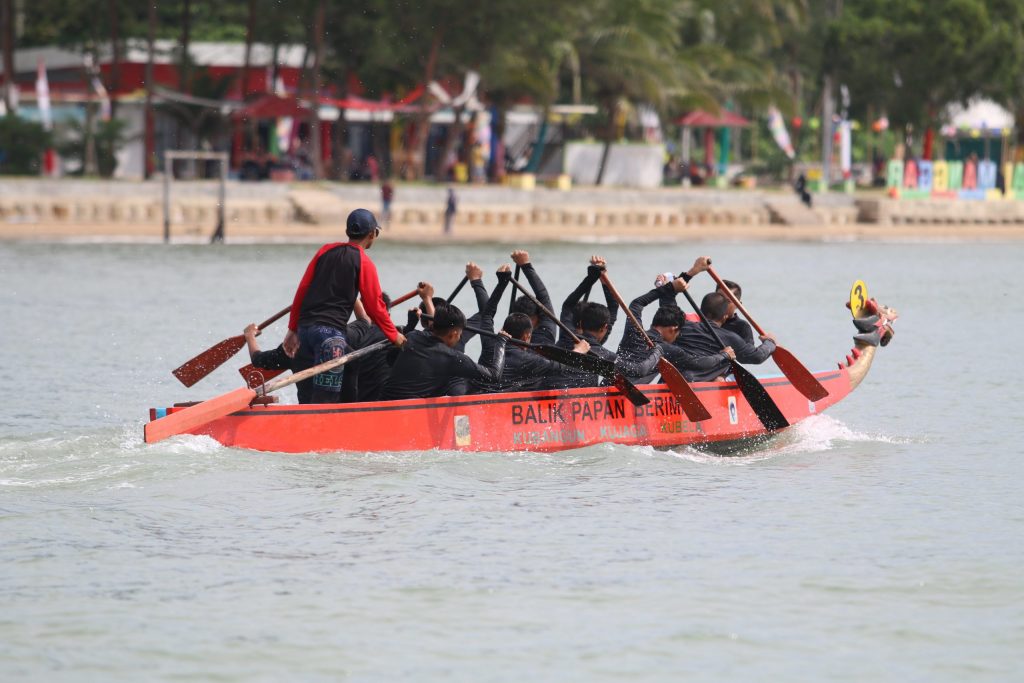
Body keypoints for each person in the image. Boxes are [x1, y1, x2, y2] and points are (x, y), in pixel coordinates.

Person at [283, 208, 405, 403]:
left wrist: (292, 329)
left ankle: (345, 416)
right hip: (330, 339)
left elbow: (303, 290)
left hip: (304, 332)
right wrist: (394, 335)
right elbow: (375, 306)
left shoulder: (325, 250)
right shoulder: (364, 262)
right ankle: (341, 422)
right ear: (372, 234)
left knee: (346, 368)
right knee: (325, 404)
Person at [616, 277, 735, 383]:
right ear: (673, 329)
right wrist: (724, 355)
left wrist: (668, 287)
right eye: (678, 333)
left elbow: (636, 304)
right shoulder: (667, 349)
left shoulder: (634, 332)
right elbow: (700, 364)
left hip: (605, 387)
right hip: (628, 398)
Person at [384, 304, 508, 400]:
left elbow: (390, 359)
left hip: (383, 404)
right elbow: (494, 376)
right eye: (460, 334)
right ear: (453, 334)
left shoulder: (412, 336)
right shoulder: (451, 357)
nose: (460, 338)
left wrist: (410, 325)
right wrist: (501, 342)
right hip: (408, 415)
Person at [340, 283, 432, 403]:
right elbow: (434, 338)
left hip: (352, 403)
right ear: (387, 315)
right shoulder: (399, 336)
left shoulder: (348, 333)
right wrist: (427, 299)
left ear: (359, 312)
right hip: (387, 403)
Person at [476, 313, 590, 393]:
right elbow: (561, 366)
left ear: (503, 330)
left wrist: (481, 282)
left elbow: (486, 315)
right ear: (527, 336)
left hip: (477, 400)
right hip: (500, 408)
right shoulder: (528, 359)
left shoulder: (489, 345)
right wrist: (578, 351)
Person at [675, 292, 776, 382]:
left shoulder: (682, 326)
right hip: (700, 382)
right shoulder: (731, 338)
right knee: (728, 364)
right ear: (724, 317)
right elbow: (757, 356)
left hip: (677, 378)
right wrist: (770, 342)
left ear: (700, 312)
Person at [242, 323, 314, 403]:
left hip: (309, 411)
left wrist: (250, 336)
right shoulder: (328, 340)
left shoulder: (295, 346)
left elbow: (258, 359)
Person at [510, 250, 558, 345]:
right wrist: (525, 265)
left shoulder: (507, 340)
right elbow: (543, 295)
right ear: (535, 318)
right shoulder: (546, 333)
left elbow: (486, 316)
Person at [717, 278, 754, 344]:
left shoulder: (742, 327)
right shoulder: (703, 320)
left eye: (727, 301)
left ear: (738, 305)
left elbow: (750, 353)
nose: (721, 303)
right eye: (719, 298)